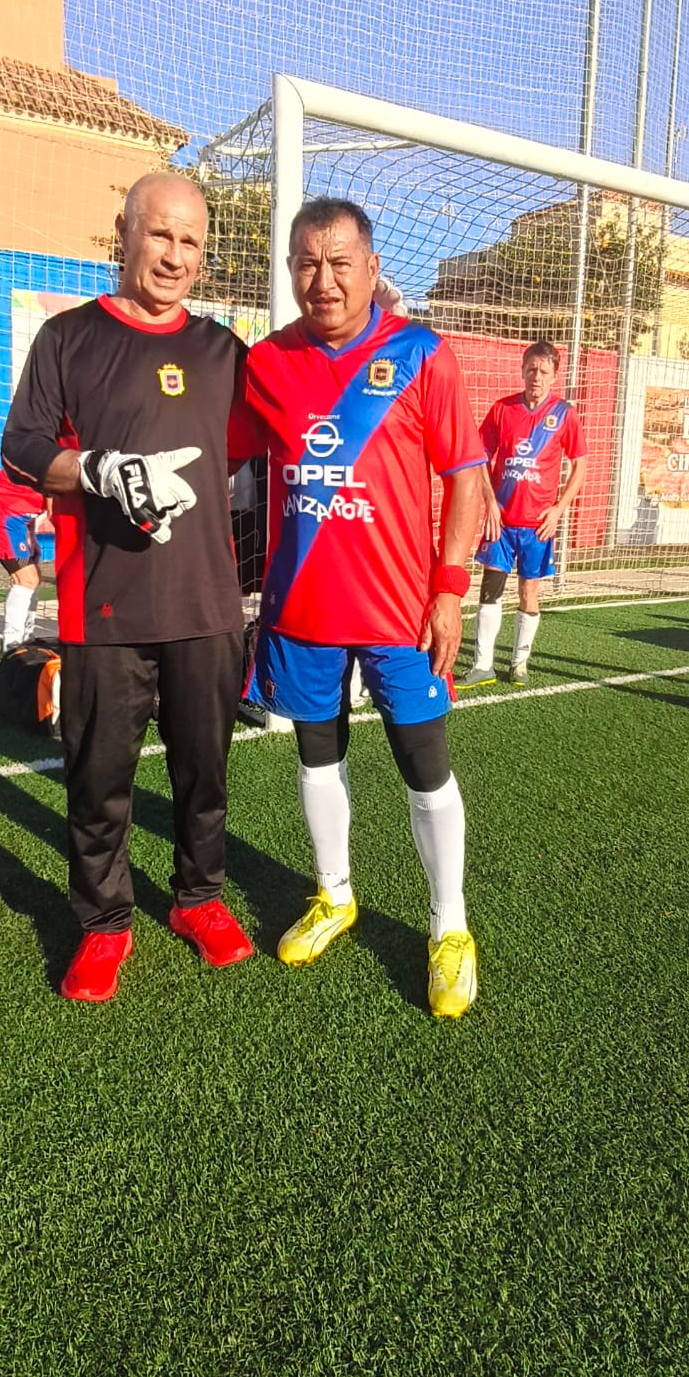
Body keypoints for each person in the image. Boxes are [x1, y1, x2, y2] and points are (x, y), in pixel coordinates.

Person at [228, 196, 485, 1020]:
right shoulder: (266, 363)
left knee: (423, 763)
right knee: (315, 755)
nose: (323, 279)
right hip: (301, 607)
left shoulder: (420, 354)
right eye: (307, 262)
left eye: (340, 262)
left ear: (372, 270)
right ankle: (334, 894)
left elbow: (465, 480)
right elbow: (212, 452)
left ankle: (449, 926)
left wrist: (449, 592)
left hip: (402, 611)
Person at [1, 171, 254, 1001]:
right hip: (102, 606)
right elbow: (23, 447)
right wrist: (97, 470)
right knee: (98, 779)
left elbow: (299, 429)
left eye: (190, 242)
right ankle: (104, 922)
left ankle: (197, 899)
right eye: (160, 235)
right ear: (123, 232)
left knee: (203, 775)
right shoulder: (68, 340)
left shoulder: (225, 353)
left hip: (208, 607)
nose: (175, 255)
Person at [458, 340, 588, 687]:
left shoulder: (564, 414)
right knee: (490, 589)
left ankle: (519, 663)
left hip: (537, 526)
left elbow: (580, 466)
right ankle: (482, 665)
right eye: (531, 369)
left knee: (529, 592)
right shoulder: (503, 409)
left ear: (555, 376)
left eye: (544, 371)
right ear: (522, 370)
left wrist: (558, 511)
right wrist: (490, 503)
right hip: (502, 521)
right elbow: (480, 457)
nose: (536, 376)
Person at [0, 468, 53, 650]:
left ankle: (26, 638)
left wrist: (31, 535)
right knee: (26, 579)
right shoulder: (54, 453)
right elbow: (51, 498)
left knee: (34, 579)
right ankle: (12, 645)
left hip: (17, 518)